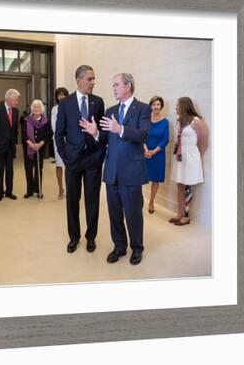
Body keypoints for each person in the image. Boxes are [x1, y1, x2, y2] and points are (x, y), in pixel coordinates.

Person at [80, 73, 151, 265]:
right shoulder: (110, 110)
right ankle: (119, 246)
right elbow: (106, 138)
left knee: (133, 213)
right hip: (112, 171)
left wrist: (120, 129)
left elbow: (143, 134)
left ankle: (137, 248)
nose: (113, 88)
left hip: (132, 171)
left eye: (116, 85)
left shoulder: (142, 108)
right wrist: (96, 133)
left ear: (128, 86)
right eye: (113, 85)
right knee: (114, 213)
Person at [55, 65, 106, 254]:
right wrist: (66, 157)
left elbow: (103, 132)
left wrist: (100, 152)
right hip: (73, 161)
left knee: (92, 201)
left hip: (93, 160)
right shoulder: (65, 103)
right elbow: (59, 134)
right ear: (79, 80)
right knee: (73, 201)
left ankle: (90, 237)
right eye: (90, 79)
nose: (93, 82)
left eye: (94, 79)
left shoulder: (98, 102)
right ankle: (74, 237)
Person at [169, 97, 209, 226]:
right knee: (179, 185)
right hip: (179, 156)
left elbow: (204, 142)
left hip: (190, 156)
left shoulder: (196, 121)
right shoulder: (180, 121)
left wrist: (197, 156)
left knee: (188, 186)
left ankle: (186, 216)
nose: (175, 107)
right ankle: (180, 213)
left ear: (184, 106)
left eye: (177, 105)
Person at [0, 88, 20, 202]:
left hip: (10, 146)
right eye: (16, 100)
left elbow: (15, 129)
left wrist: (15, 142)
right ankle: (0, 193)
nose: (17, 102)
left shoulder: (16, 111)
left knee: (10, 170)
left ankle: (9, 191)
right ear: (9, 98)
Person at [143, 96, 170, 214]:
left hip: (158, 154)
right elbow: (141, 135)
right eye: (154, 104)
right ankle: (138, 200)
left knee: (155, 179)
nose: (156, 107)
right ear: (150, 106)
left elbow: (165, 140)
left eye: (158, 104)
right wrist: (145, 150)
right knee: (140, 177)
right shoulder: (145, 120)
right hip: (144, 152)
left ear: (161, 106)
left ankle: (151, 201)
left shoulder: (165, 122)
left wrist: (153, 151)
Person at [22, 100, 52, 199]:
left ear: (42, 109)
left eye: (38, 107)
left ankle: (39, 190)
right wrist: (31, 144)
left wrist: (40, 144)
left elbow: (48, 135)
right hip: (28, 149)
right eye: (34, 107)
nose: (36, 109)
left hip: (40, 148)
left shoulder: (46, 121)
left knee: (38, 170)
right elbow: (23, 135)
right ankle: (29, 191)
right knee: (28, 170)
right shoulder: (26, 120)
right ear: (32, 108)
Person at [50, 87, 69, 199]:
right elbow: (54, 126)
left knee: (69, 165)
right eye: (59, 95)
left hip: (70, 140)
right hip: (58, 140)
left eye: (63, 94)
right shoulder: (54, 109)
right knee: (59, 165)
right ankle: (60, 189)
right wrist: (61, 136)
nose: (61, 96)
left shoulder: (71, 107)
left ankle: (70, 188)